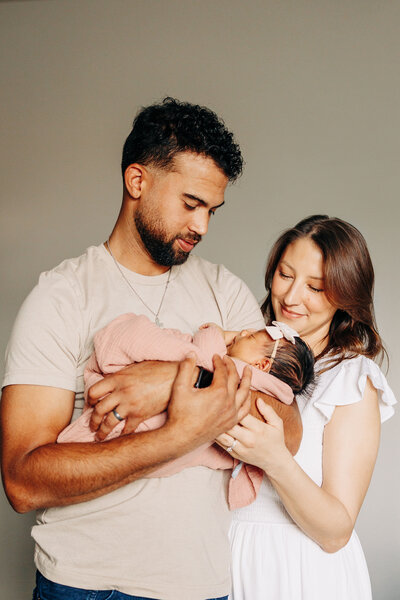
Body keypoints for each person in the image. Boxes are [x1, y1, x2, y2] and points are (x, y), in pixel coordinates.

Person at [0, 98, 301, 600]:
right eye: (191, 204)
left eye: (212, 210)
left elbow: (285, 433)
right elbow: (23, 482)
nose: (202, 227)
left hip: (201, 586)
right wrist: (182, 432)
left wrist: (170, 381)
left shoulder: (224, 291)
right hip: (84, 586)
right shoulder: (63, 295)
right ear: (137, 181)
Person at [216, 215, 397, 600]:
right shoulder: (243, 348)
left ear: (345, 296)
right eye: (285, 275)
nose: (292, 297)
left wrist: (274, 458)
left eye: (315, 287)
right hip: (222, 560)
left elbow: (336, 532)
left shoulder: (350, 380)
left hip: (300, 571)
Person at [57, 315, 314, 509]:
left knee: (139, 334)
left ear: (262, 364)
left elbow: (204, 354)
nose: (243, 332)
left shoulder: (238, 372)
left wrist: (215, 332)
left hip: (165, 432)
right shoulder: (267, 387)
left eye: (251, 337)